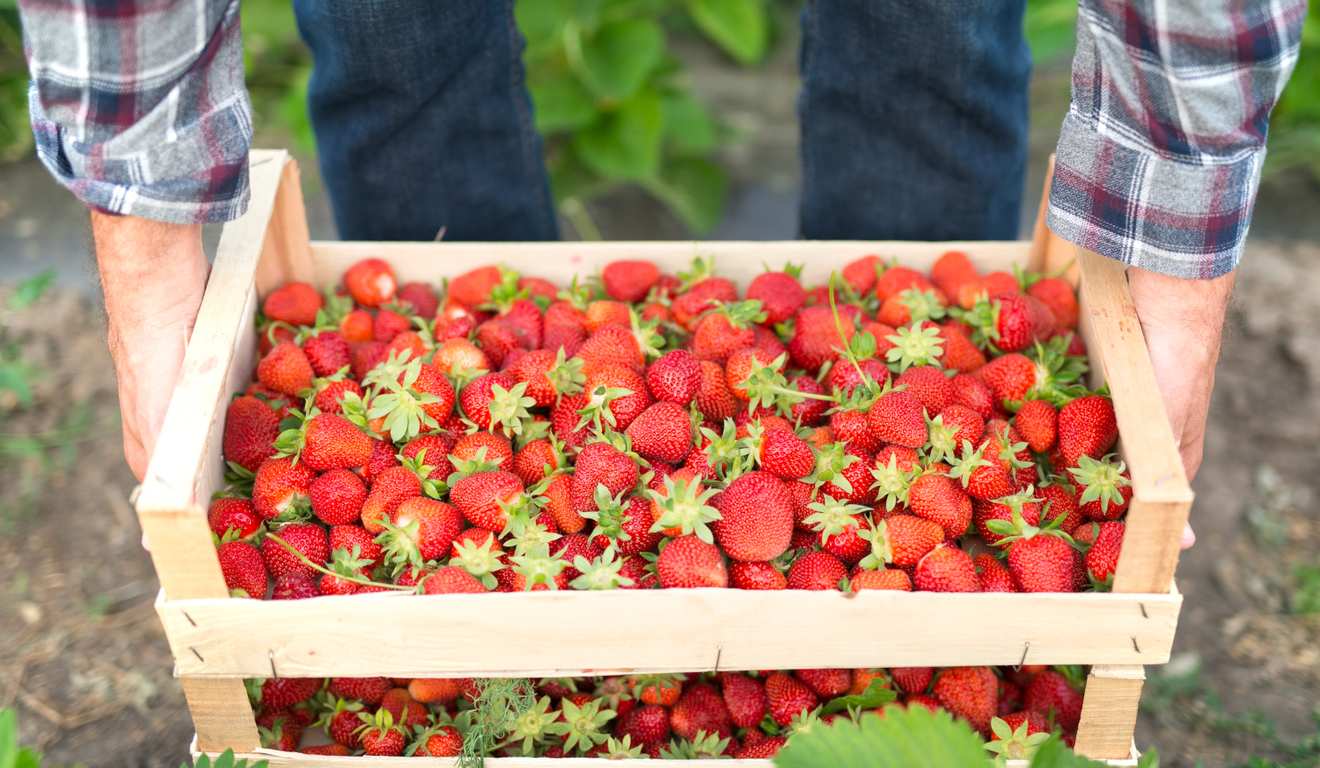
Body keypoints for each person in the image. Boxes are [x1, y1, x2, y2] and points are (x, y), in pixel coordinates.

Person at [16, 0, 1306, 547]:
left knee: (920, 30)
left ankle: (917, 650)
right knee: (402, 34)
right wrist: (146, 246)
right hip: (515, 469)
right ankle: (487, 663)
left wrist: (1174, 276)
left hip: (864, 454)